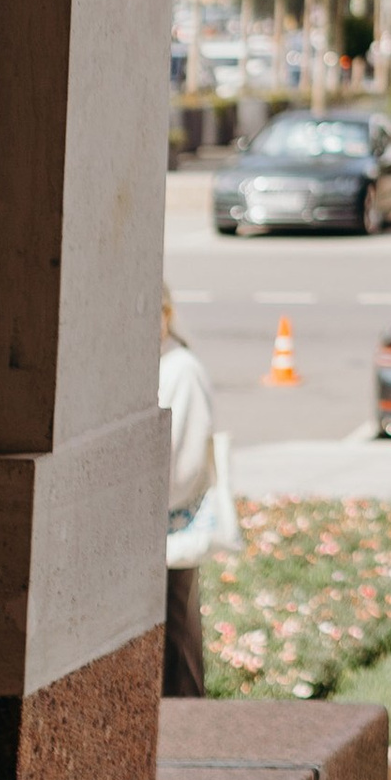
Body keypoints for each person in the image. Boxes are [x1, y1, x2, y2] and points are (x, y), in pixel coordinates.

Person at [159, 289, 221, 696]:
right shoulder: (157, 364)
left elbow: (180, 470)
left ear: (166, 313)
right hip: (152, 533)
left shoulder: (180, 369)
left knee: (177, 657)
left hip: (168, 533)